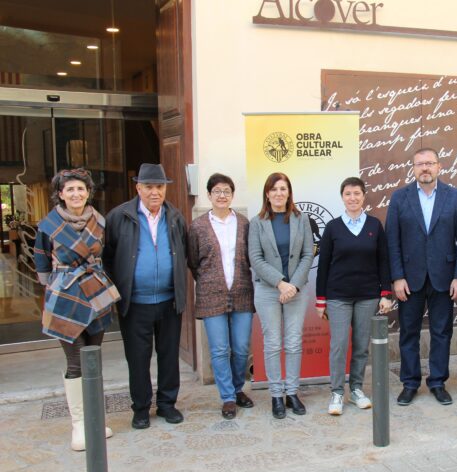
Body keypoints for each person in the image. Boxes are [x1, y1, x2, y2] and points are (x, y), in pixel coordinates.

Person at [34, 168, 121, 450]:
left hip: (95, 293)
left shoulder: (99, 221)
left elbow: (105, 255)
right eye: (69, 189)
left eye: (80, 189)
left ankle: (95, 420)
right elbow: (42, 265)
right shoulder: (48, 225)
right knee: (75, 363)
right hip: (65, 296)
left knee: (93, 358)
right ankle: (79, 427)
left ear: (88, 193)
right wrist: (57, 289)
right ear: (60, 194)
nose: (76, 194)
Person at [103, 163, 188, 429]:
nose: (155, 192)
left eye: (160, 186)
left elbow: (184, 252)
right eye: (149, 186)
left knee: (168, 354)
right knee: (138, 358)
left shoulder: (175, 216)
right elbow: (108, 257)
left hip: (168, 300)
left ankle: (167, 404)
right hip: (135, 302)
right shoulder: (119, 217)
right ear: (138, 187)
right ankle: (140, 408)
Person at [386, 147, 457, 406]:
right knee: (408, 332)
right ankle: (410, 383)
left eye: (430, 163)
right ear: (413, 168)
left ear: (439, 167)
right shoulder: (399, 198)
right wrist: (397, 277)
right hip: (409, 279)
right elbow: (393, 241)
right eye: (420, 164)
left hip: (444, 278)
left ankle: (437, 382)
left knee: (441, 332)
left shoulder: (454, 197)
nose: (425, 168)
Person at [315, 177, 393, 415]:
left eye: (357, 193)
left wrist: (385, 294)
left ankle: (356, 389)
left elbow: (383, 261)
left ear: (364, 196)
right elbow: (324, 266)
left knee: (361, 346)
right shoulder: (333, 227)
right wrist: (321, 300)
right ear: (342, 197)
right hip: (338, 296)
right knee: (339, 345)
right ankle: (337, 392)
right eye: (348, 194)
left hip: (367, 296)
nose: (353, 198)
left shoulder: (374, 225)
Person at [188, 173, 255, 420]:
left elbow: (251, 257)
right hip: (210, 295)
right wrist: (211, 281)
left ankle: (238, 389)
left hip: (242, 293)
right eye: (217, 191)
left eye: (227, 191)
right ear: (209, 195)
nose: (222, 195)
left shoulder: (245, 224)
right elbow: (193, 261)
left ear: (232, 195)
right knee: (219, 349)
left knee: (240, 348)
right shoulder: (197, 226)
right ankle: (227, 396)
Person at [248, 172, 313, 419]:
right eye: (274, 189)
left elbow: (308, 253)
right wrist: (279, 283)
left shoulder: (301, 219)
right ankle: (276, 395)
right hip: (267, 290)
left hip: (296, 289)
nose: (278, 193)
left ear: (289, 192)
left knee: (294, 342)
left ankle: (292, 392)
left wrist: (293, 285)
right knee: (273, 343)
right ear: (267, 193)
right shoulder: (257, 222)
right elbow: (255, 257)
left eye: (283, 189)